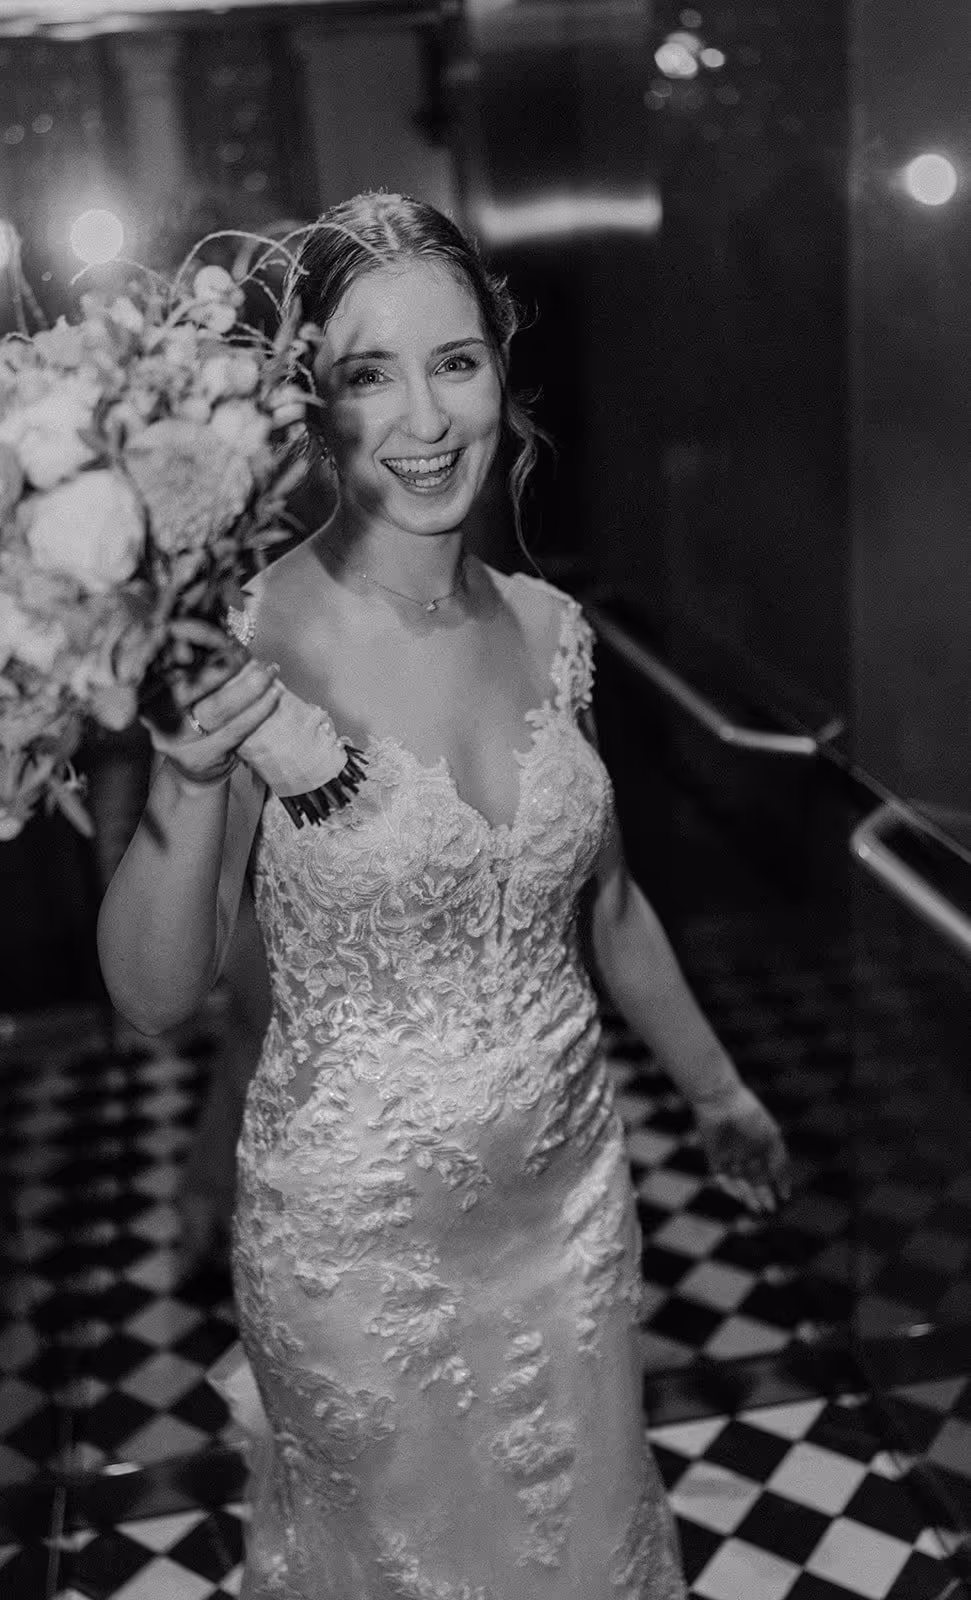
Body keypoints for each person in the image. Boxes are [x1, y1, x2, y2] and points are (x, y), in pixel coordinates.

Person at [98, 190, 791, 1600]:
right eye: (368, 373)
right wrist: (182, 779)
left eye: (454, 362)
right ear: (309, 405)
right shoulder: (239, 643)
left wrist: (716, 1091)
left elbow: (602, 909)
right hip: (363, 1264)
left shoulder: (551, 631)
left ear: (498, 373)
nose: (423, 421)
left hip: (573, 1218)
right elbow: (156, 1000)